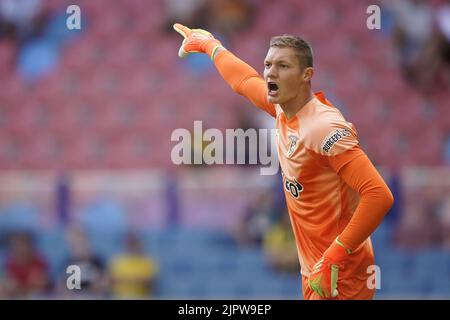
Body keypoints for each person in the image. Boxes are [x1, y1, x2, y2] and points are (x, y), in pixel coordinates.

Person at [172, 23, 394, 300]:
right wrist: (208, 44)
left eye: (283, 66)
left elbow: (379, 195)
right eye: (268, 64)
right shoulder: (282, 111)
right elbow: (242, 80)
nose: (271, 72)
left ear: (306, 76)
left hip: (341, 274)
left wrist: (335, 255)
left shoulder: (324, 129)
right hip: (315, 270)